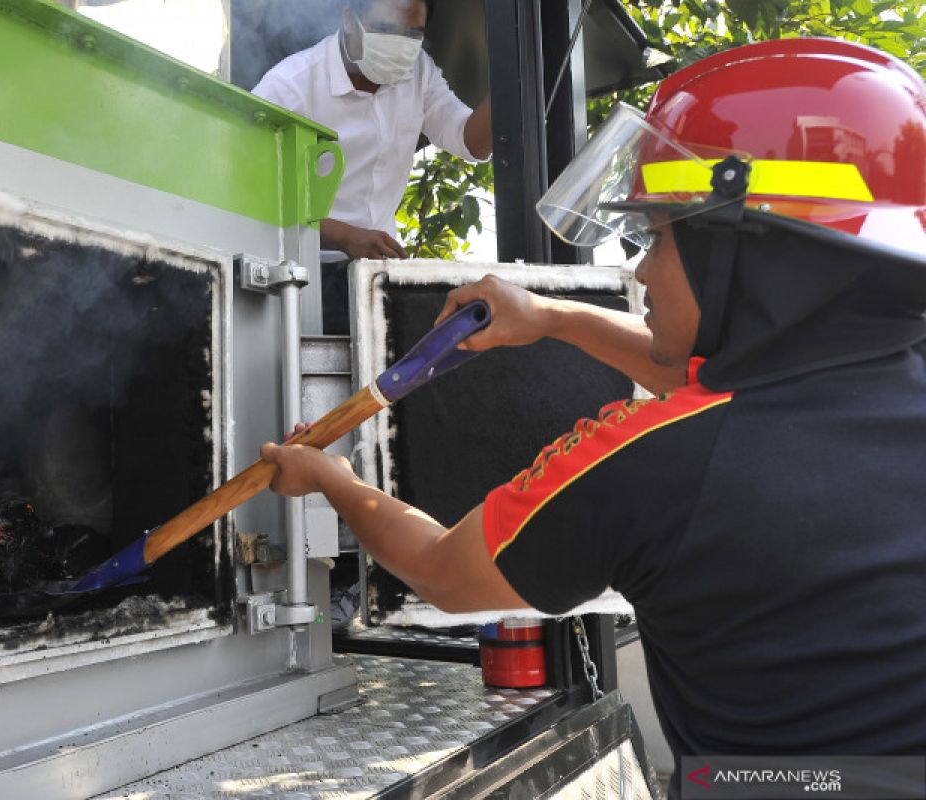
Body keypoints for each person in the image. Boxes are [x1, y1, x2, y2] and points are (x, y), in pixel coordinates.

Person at [260, 38, 926, 792]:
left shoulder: (652, 464)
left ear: (742, 253)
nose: (639, 270)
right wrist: (548, 316)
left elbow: (443, 572)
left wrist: (333, 479)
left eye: (661, 237)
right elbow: (706, 374)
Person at [252, 0, 492, 333]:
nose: (400, 44)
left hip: (378, 276)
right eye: (387, 29)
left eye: (413, 34)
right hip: (298, 277)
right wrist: (345, 237)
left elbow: (470, 141)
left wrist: (513, 78)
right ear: (350, 20)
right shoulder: (290, 87)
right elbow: (252, 201)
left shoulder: (418, 72)